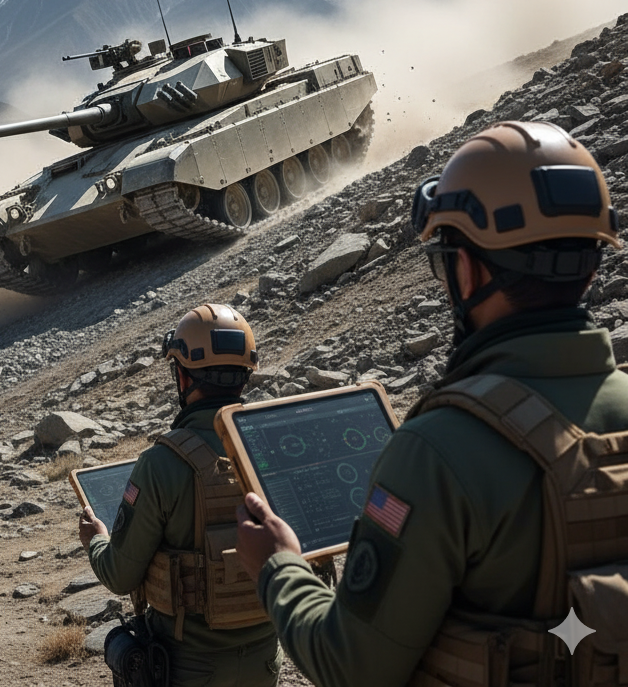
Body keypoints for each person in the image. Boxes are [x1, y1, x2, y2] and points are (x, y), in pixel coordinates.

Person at [235, 120, 628, 686]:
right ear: (591, 269)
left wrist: (277, 566)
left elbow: (352, 665)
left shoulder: (437, 452)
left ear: (466, 271)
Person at [78, 303, 282, 686]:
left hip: (187, 667)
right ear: (245, 376)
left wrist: (96, 542)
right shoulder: (275, 445)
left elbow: (121, 576)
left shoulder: (161, 463)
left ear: (184, 379)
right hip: (266, 659)